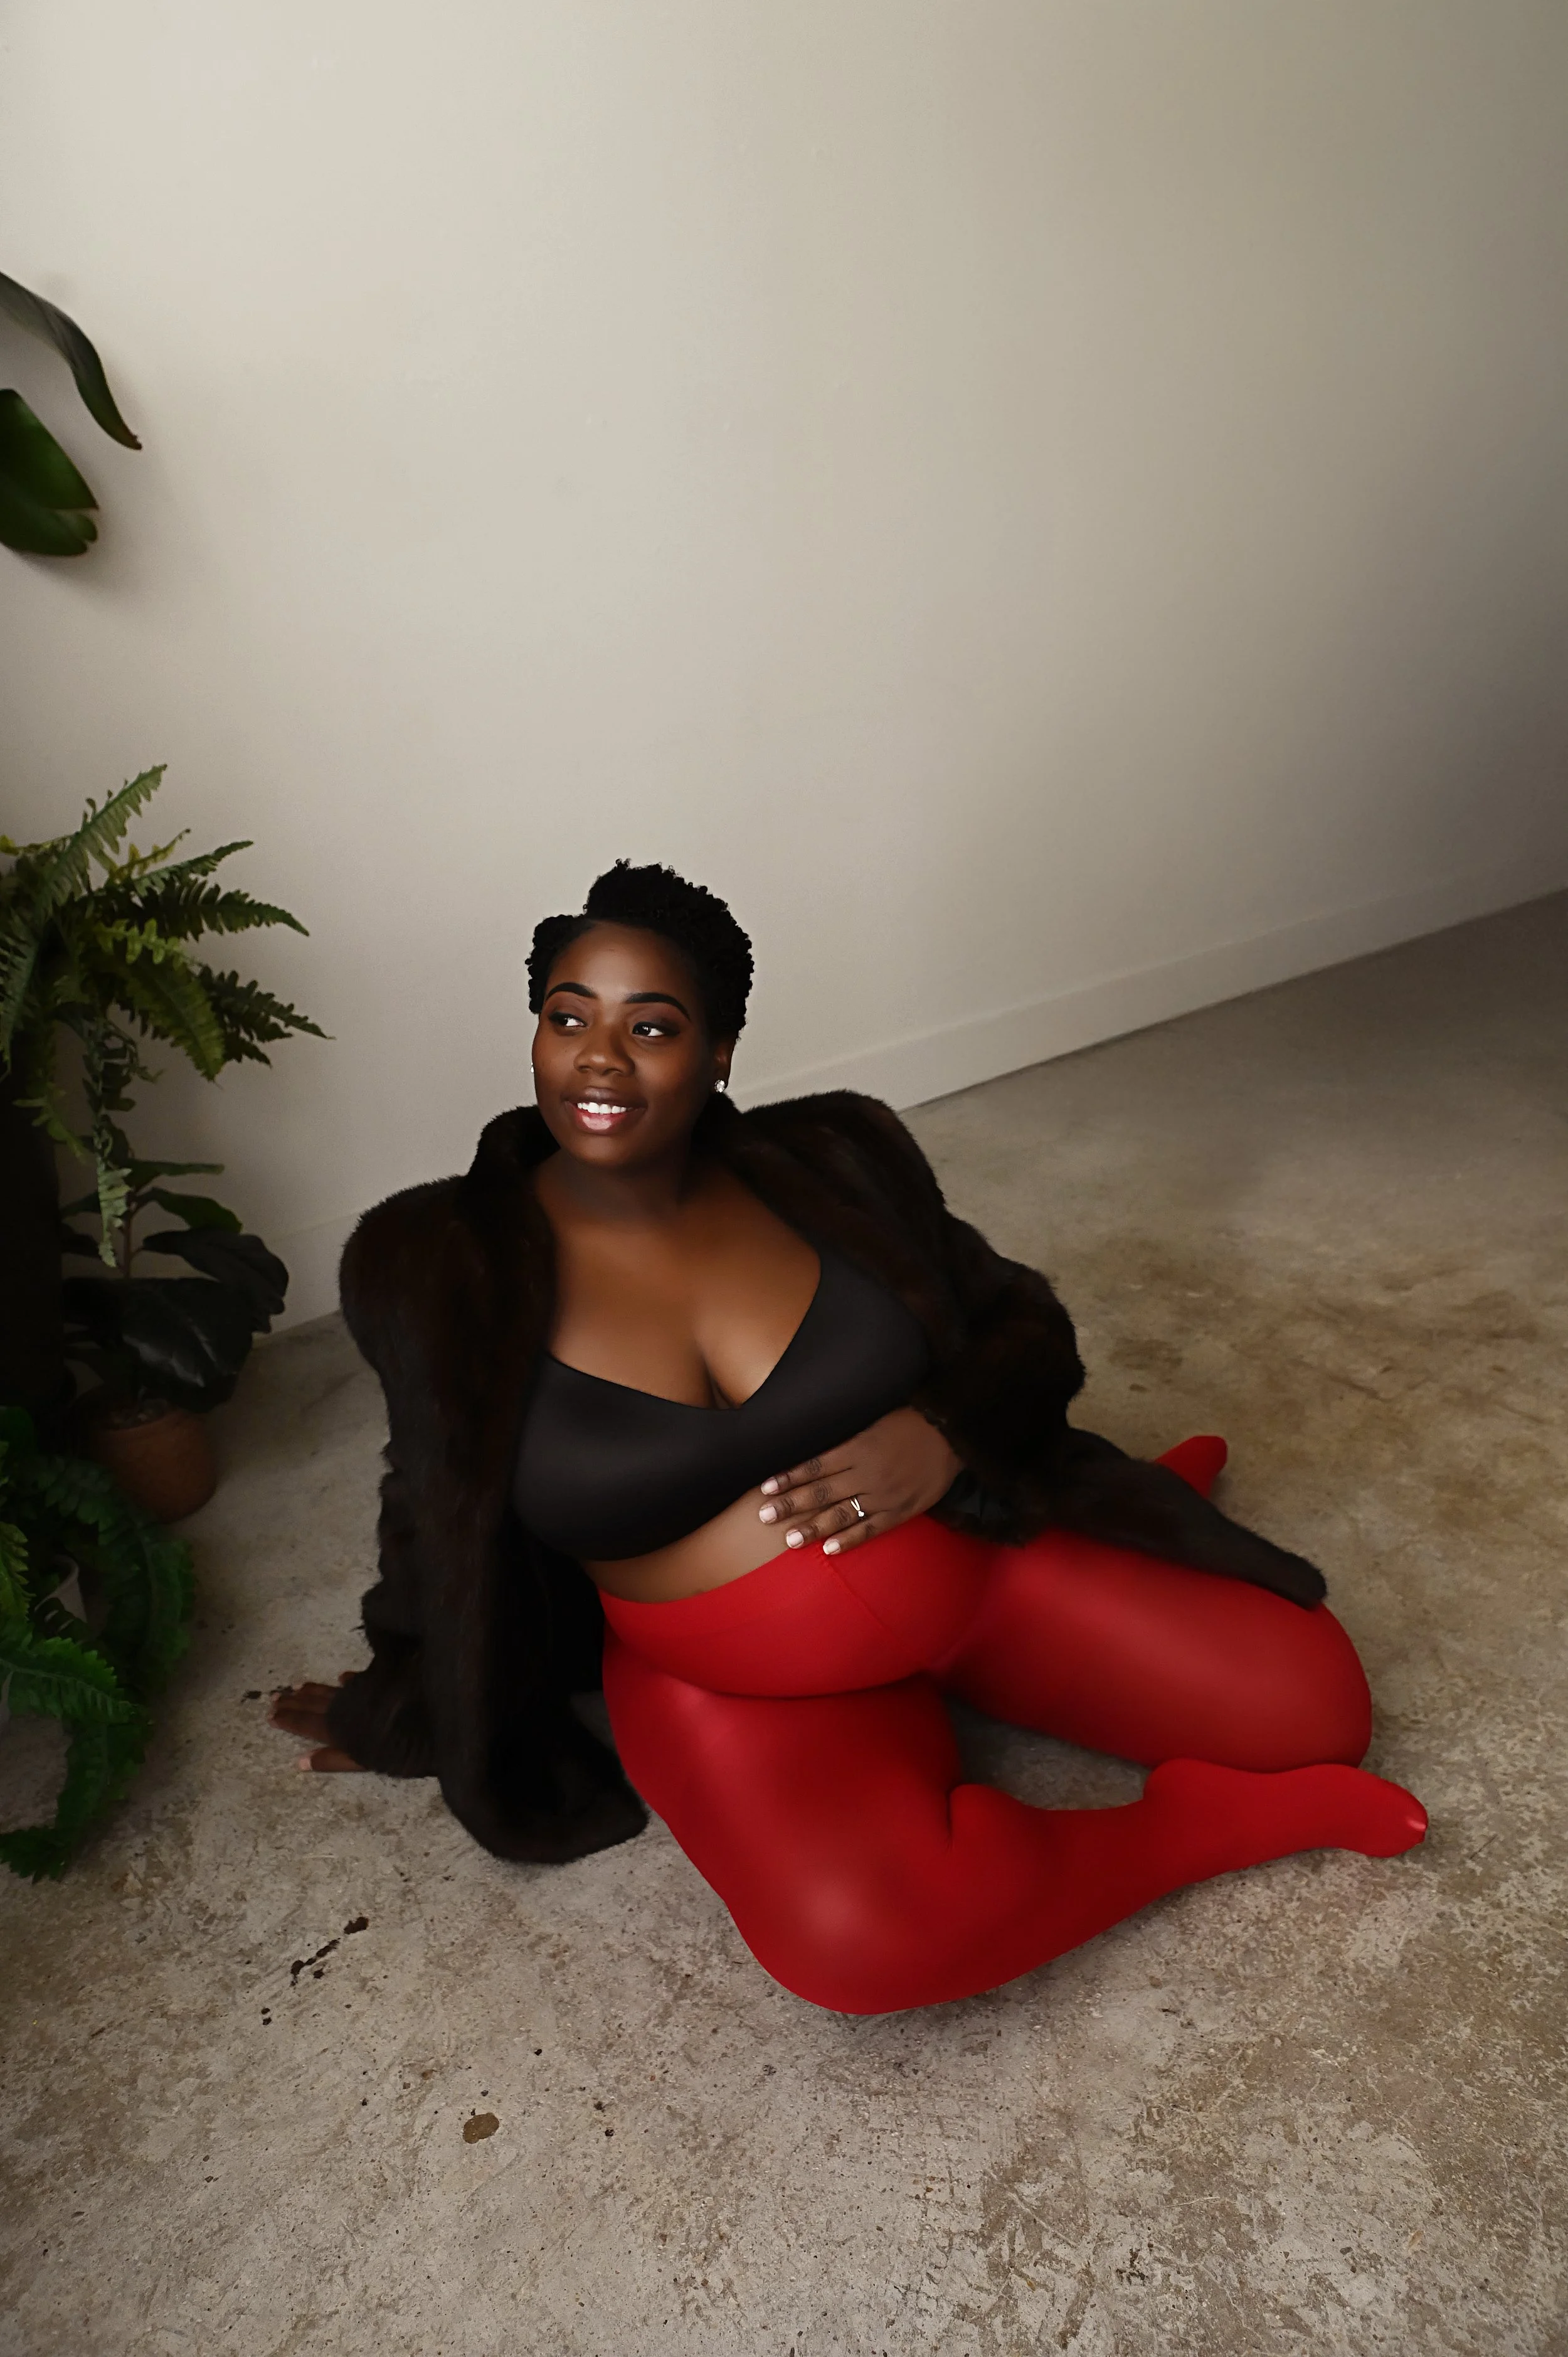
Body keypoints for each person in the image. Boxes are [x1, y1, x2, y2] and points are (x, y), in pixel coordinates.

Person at [271, 861, 1426, 2014]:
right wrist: (410, 1697)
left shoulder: (831, 1158)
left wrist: (950, 1432)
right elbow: (432, 1500)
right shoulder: (437, 1265)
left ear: (720, 1051)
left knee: (1317, 1711)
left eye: (652, 1026)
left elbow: (1018, 1317)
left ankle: (1114, 1515)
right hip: (738, 1681)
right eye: (568, 1017)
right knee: (863, 1946)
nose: (599, 1059)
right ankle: (1191, 1831)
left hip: (973, 1570)